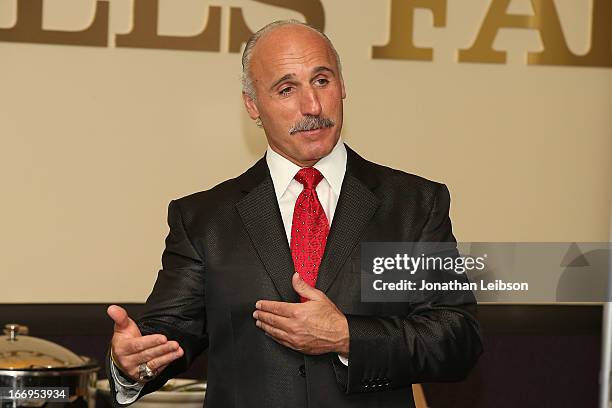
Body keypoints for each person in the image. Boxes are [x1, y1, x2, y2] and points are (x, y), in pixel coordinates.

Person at [105, 20, 482, 408]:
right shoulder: (203, 219)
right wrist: (133, 364)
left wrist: (347, 336)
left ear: (343, 85)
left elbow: (456, 339)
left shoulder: (414, 205)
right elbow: (166, 337)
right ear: (252, 105)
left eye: (322, 81)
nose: (312, 107)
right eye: (287, 89)